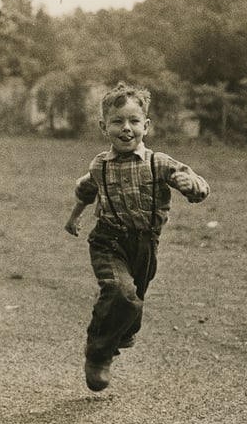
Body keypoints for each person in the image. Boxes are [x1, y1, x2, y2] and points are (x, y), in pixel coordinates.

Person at [65, 83, 210, 392]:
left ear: (146, 126)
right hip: (108, 240)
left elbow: (198, 186)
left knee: (133, 305)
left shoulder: (159, 162)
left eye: (133, 121)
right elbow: (86, 190)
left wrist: (190, 185)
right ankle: (98, 355)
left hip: (145, 245)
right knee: (121, 292)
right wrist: (74, 216)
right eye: (117, 121)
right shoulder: (100, 165)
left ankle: (121, 329)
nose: (126, 129)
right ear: (104, 127)